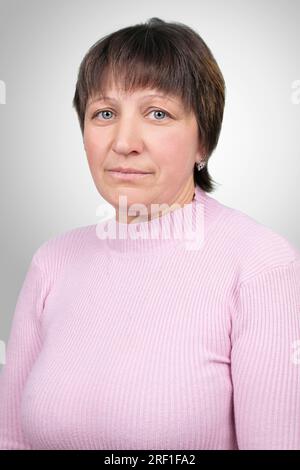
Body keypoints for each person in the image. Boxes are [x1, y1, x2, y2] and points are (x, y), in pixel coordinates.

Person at [0, 17, 300, 451]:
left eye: (158, 113)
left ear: (203, 142)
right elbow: (10, 440)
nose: (124, 141)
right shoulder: (53, 261)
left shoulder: (260, 263)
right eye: (104, 113)